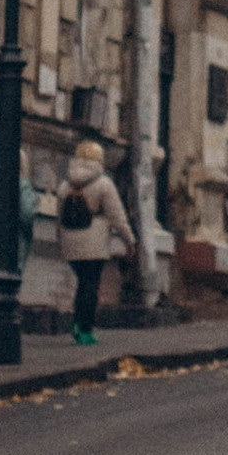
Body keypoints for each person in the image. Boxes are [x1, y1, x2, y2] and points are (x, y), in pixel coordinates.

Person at [53, 135, 135, 343]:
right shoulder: (103, 184)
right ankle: (84, 328)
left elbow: (59, 218)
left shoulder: (65, 185)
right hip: (94, 243)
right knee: (90, 286)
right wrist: (129, 240)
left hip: (70, 242)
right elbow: (117, 216)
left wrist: (60, 241)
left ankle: (78, 323)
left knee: (82, 283)